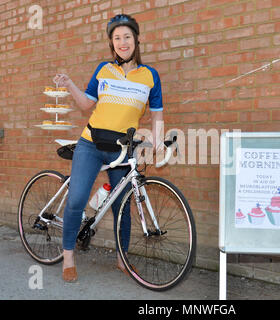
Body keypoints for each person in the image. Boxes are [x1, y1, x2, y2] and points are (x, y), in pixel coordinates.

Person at [53, 14, 164, 282]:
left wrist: (158, 141)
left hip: (123, 149)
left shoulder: (150, 76)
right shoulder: (103, 70)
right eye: (117, 38)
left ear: (136, 40)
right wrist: (69, 85)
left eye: (127, 37)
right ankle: (68, 257)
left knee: (122, 207)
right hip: (90, 144)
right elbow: (85, 105)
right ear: (111, 44)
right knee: (78, 198)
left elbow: (157, 114)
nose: (122, 42)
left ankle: (121, 260)